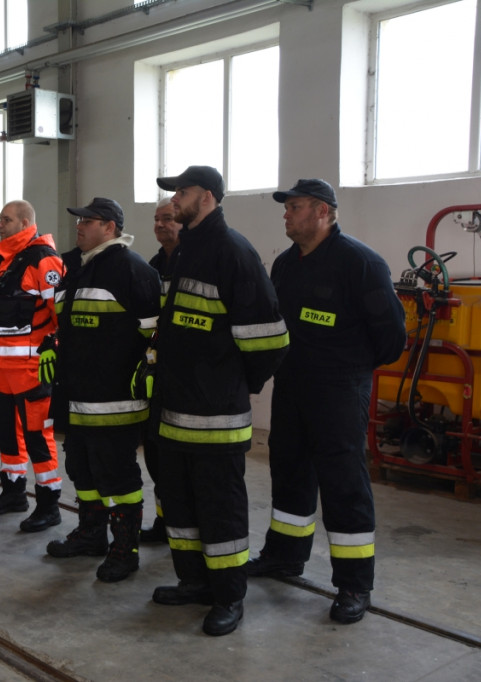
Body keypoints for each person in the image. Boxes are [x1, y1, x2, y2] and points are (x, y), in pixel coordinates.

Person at [247, 179, 407, 625]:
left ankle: (355, 584)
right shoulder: (285, 265)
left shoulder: (360, 263)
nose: (285, 214)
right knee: (289, 469)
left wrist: (348, 368)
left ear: (322, 211)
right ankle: (284, 555)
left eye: (293, 207)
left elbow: (392, 338)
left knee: (343, 482)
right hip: (293, 387)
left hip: (339, 390)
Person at [150, 166, 289, 637]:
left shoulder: (232, 252)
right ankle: (195, 582)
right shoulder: (185, 251)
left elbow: (269, 340)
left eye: (181, 193)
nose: (174, 202)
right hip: (174, 414)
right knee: (182, 505)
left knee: (220, 508)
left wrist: (232, 384)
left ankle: (229, 595)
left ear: (205, 197)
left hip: (217, 417)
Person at [45, 197, 161, 582]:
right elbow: (66, 325)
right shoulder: (76, 268)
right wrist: (52, 344)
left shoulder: (132, 269)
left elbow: (155, 335)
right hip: (76, 395)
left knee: (118, 475)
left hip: (115, 399)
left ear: (109, 227)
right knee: (81, 467)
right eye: (79, 221)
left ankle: (124, 549)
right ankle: (91, 534)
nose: (79, 227)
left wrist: (145, 370)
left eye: (88, 222)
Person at [0, 200, 65, 532]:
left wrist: (55, 352)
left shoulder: (44, 260)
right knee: (7, 435)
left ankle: (49, 503)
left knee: (38, 436)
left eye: (6, 219)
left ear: (25, 222)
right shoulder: (2, 259)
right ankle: (13, 492)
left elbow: (60, 314)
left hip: (31, 369)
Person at [140, 197, 183, 544]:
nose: (160, 225)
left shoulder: (195, 263)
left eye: (168, 218)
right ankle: (164, 521)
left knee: (181, 460)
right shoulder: (153, 266)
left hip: (187, 379)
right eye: (156, 219)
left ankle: (185, 523)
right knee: (156, 454)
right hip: (158, 378)